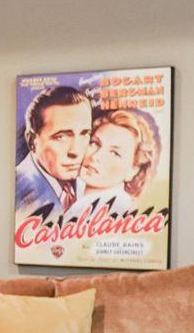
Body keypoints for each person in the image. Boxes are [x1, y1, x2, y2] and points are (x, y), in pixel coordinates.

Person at [12, 83, 94, 226]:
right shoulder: (17, 191)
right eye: (61, 137)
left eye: (84, 134)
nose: (75, 151)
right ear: (32, 141)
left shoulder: (92, 182)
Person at [76, 106, 161, 214]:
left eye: (114, 153)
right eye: (95, 143)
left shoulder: (114, 208)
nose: (96, 156)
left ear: (133, 170)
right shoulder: (78, 200)